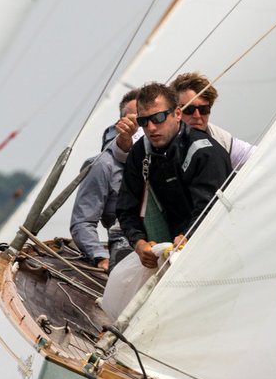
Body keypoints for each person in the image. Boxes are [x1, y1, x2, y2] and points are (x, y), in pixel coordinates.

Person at [116, 82, 232, 269]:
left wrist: (189, 235)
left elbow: (211, 208)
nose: (151, 128)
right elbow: (125, 208)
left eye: (158, 118)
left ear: (177, 114)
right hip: (166, 250)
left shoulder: (205, 153)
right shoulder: (140, 153)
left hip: (214, 247)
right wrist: (139, 244)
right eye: (144, 121)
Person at [70, 88, 139, 271]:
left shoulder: (165, 156)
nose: (141, 126)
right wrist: (101, 257)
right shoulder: (102, 165)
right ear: (121, 123)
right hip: (125, 250)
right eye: (136, 120)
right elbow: (83, 221)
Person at [170, 71, 257, 170]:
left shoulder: (221, 139)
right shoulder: (158, 139)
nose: (197, 115)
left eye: (204, 109)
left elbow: (260, 157)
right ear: (175, 111)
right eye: (189, 109)